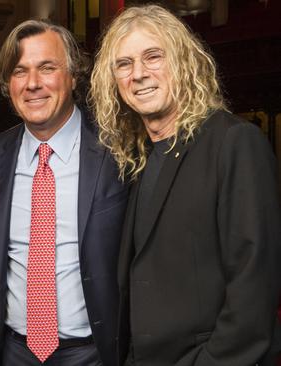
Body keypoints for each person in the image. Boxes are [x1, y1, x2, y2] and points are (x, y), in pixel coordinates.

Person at [89, 5, 281, 365]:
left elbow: (254, 288)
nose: (139, 74)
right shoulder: (136, 158)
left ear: (183, 61)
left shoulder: (234, 142)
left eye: (153, 56)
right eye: (124, 64)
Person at [0, 19, 128, 366]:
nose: (32, 84)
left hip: (96, 352)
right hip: (13, 352)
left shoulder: (117, 150)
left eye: (47, 68)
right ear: (7, 83)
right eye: (19, 71)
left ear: (73, 75)